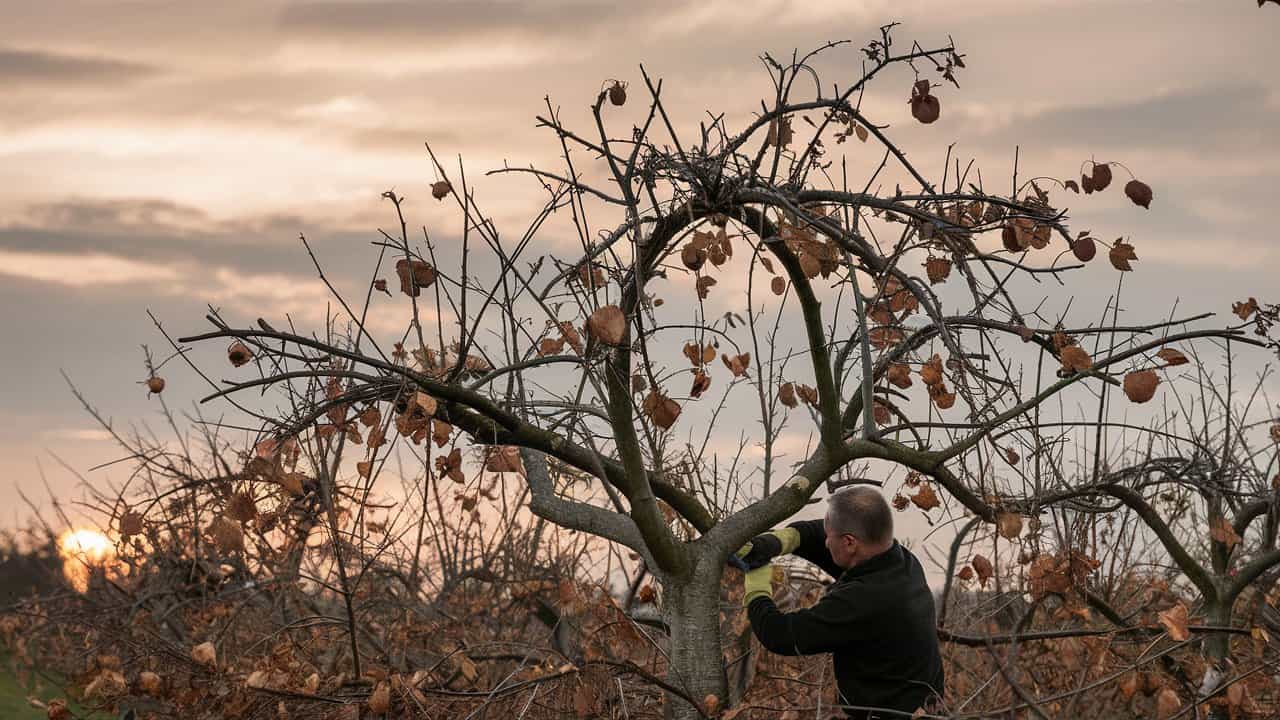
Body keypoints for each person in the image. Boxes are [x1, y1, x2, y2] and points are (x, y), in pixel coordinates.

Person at [738, 486, 944, 719]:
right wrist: (778, 541)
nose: (825, 543)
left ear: (849, 542)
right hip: (929, 709)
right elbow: (819, 533)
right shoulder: (902, 561)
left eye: (830, 537)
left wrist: (755, 582)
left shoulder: (863, 600)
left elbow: (781, 635)